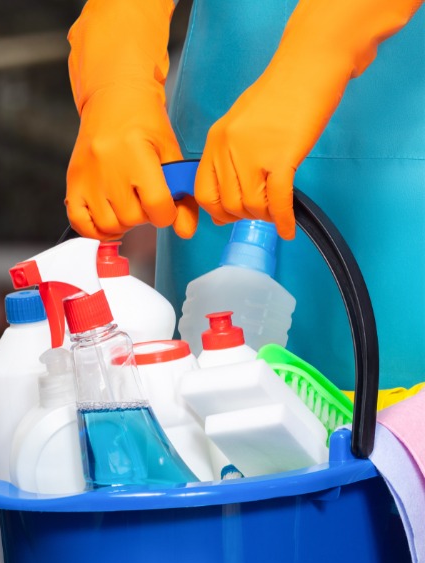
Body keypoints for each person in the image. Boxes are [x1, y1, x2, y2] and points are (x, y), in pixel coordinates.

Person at [64, 0, 425, 390]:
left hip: (401, 171)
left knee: (397, 425)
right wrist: (116, 78)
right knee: (204, 415)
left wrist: (312, 62)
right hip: (218, 170)